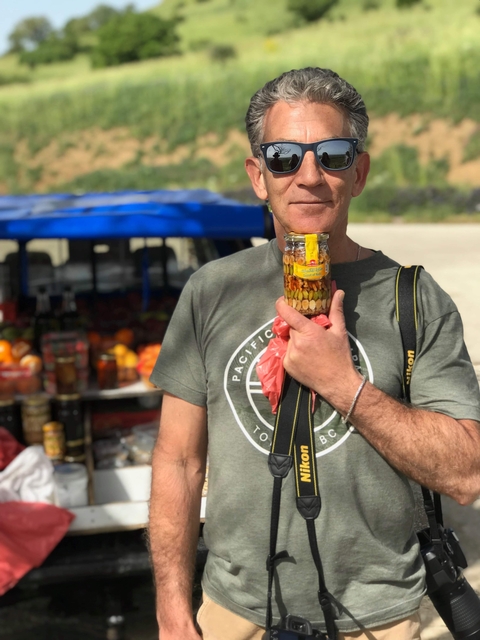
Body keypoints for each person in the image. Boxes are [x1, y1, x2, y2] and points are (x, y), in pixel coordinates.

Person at [148, 67, 480, 640]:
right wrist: (172, 609)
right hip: (236, 613)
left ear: (360, 171)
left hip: (376, 619)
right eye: (282, 157)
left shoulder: (415, 298)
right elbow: (178, 462)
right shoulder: (212, 290)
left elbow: (466, 472)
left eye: (332, 154)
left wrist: (344, 385)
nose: (309, 176)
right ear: (258, 176)